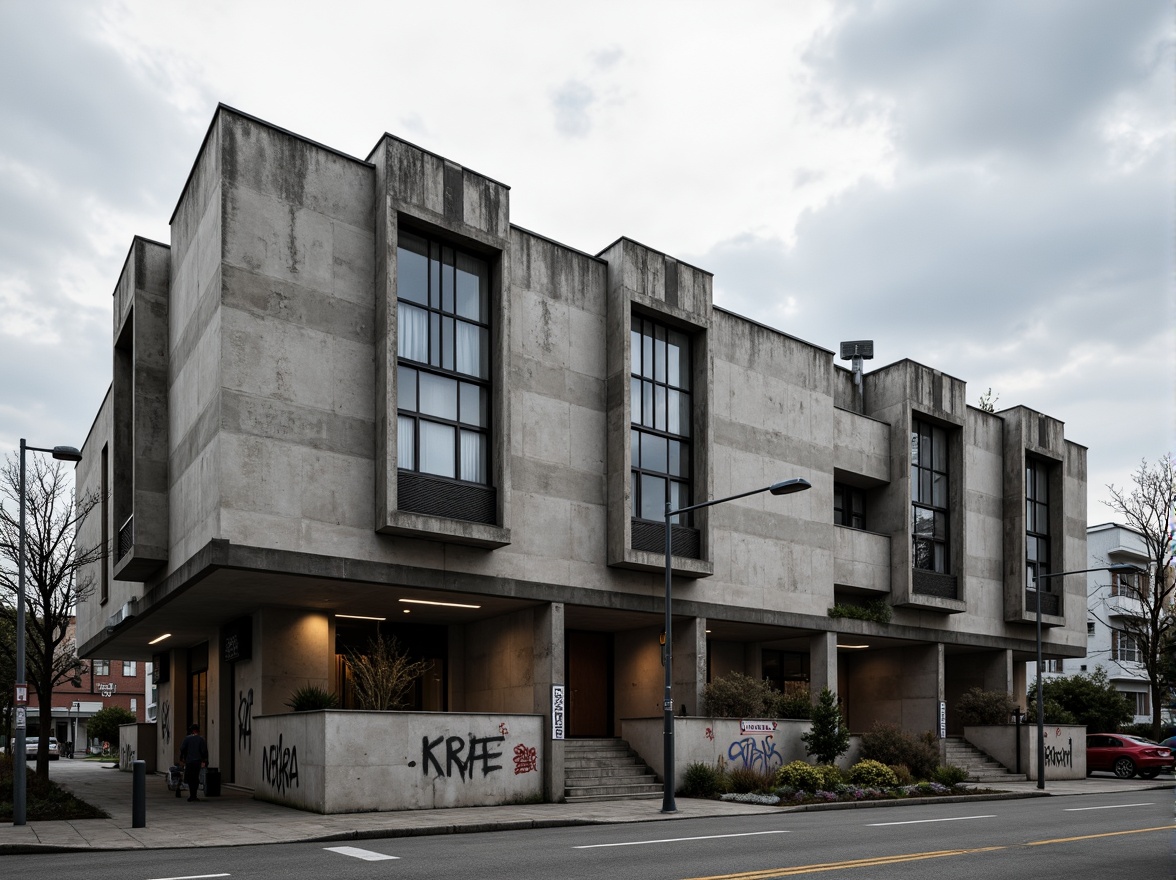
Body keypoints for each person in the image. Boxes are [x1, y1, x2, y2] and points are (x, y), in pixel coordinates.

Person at [178, 723, 208, 802]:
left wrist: (182, 758)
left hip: (189, 761)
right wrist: (204, 760)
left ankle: (192, 795)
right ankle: (194, 795)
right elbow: (204, 751)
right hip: (198, 761)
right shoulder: (201, 739)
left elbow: (182, 749)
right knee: (196, 778)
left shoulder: (187, 739)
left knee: (190, 778)